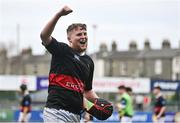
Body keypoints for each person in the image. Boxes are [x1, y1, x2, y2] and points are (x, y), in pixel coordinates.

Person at [40, 5, 98, 122]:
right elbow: (44, 36)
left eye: (85, 34)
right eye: (79, 34)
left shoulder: (88, 62)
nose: (83, 37)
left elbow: (87, 91)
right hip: (56, 112)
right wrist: (59, 15)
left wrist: (100, 103)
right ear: (69, 39)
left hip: (76, 116)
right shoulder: (62, 50)